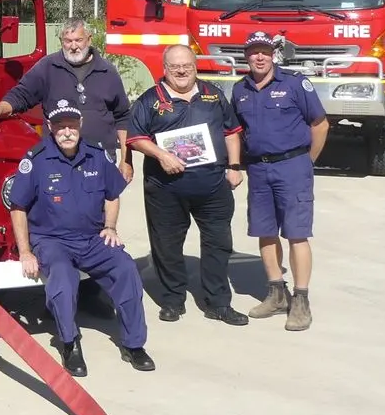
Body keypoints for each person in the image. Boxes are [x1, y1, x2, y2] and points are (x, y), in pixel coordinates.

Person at [6, 101, 155, 377]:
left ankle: (134, 344)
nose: (66, 132)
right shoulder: (36, 160)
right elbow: (18, 207)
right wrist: (25, 252)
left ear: (80, 127)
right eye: (60, 126)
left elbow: (112, 195)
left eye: (71, 126)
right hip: (52, 240)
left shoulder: (96, 155)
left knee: (125, 268)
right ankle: (69, 343)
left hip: (91, 237)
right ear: (50, 127)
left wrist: (110, 227)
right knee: (63, 278)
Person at [127, 45, 248, 326]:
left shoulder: (213, 94)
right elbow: (134, 138)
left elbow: (232, 132)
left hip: (213, 185)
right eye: (174, 67)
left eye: (187, 66)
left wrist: (234, 167)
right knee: (167, 245)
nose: (181, 71)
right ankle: (172, 300)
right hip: (165, 187)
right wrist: (161, 155)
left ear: (195, 66)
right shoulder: (150, 100)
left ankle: (218, 303)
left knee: (219, 244)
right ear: (164, 69)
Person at [230, 30, 330, 331]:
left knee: (297, 233)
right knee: (265, 231)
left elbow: (320, 124)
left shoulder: (295, 84)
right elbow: (236, 131)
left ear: (273, 54)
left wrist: (306, 161)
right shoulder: (240, 90)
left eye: (265, 51)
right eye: (253, 51)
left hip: (293, 166)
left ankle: (300, 300)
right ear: (246, 56)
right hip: (259, 170)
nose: (259, 56)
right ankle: (276, 293)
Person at [0, 17, 134, 182]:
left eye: (79, 40)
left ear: (89, 39)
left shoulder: (107, 72)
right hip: (57, 161)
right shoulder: (47, 67)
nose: (74, 46)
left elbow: (123, 117)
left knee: (103, 207)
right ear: (61, 41)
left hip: (99, 162)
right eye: (68, 41)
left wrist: (126, 160)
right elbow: (20, 95)